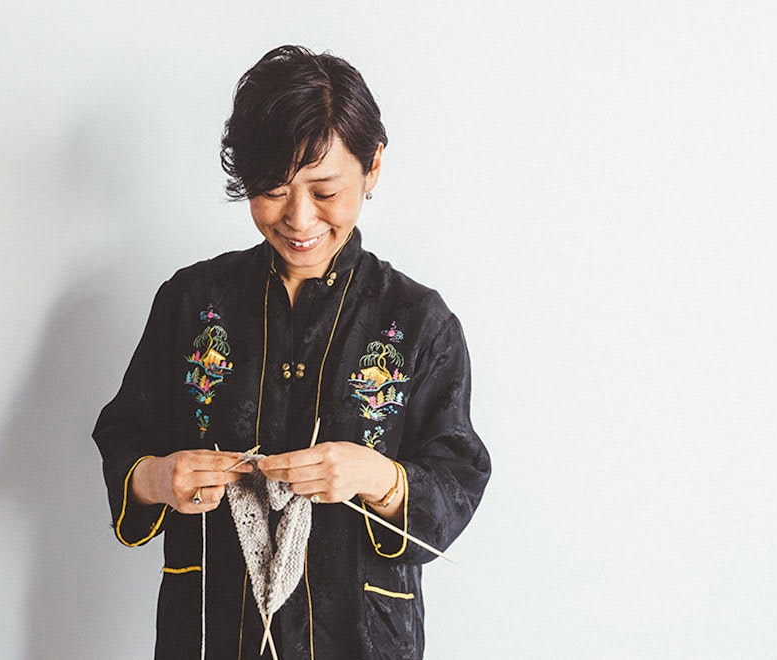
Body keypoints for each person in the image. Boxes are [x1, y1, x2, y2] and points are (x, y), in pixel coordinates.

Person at [92, 45, 490, 660]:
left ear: (373, 166)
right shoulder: (192, 301)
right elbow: (124, 434)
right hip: (211, 633)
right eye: (273, 191)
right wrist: (158, 478)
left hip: (361, 637)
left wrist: (376, 478)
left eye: (325, 191)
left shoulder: (416, 321)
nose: (300, 220)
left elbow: (457, 476)